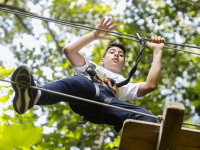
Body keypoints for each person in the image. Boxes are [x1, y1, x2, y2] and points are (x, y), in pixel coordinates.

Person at [11, 18, 164, 132]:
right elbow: (69, 50)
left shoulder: (125, 83)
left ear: (124, 66)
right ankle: (35, 94)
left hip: (106, 106)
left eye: (120, 55)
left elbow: (150, 85)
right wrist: (95, 34)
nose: (116, 55)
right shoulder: (90, 67)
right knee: (76, 82)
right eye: (112, 52)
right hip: (85, 94)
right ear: (102, 60)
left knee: (147, 117)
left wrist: (157, 51)